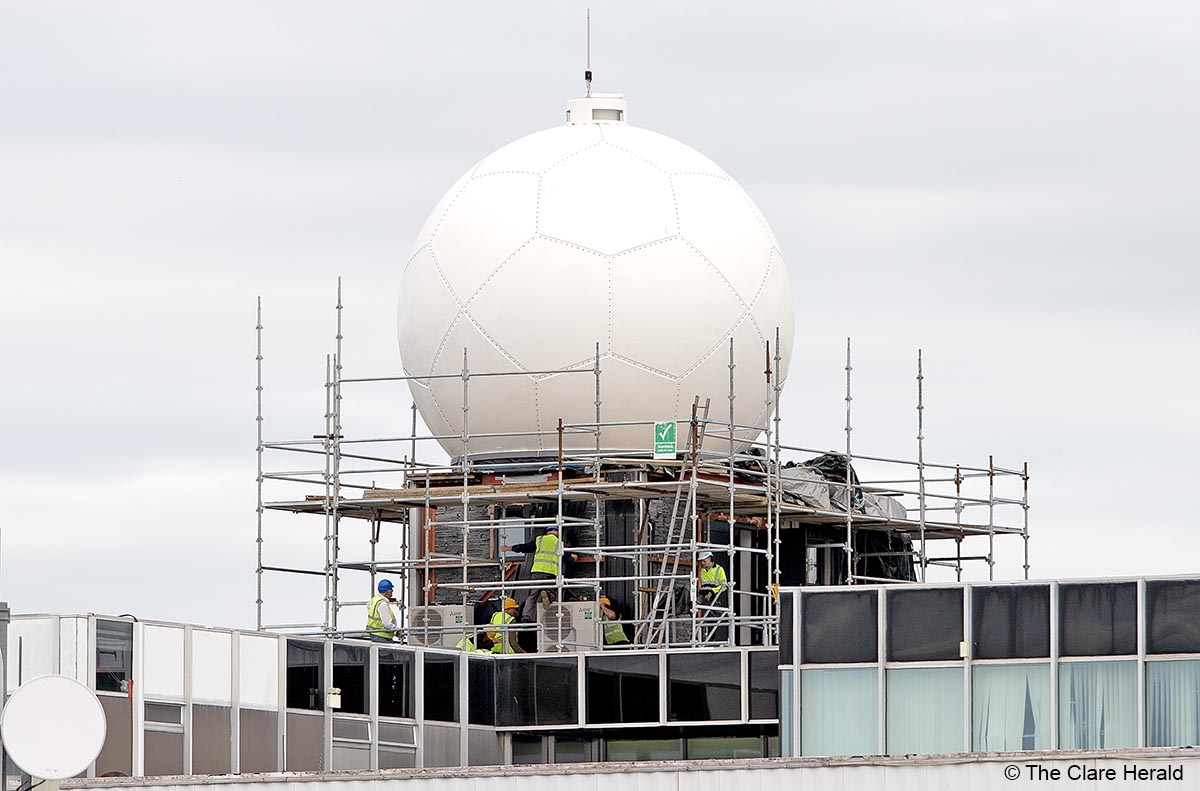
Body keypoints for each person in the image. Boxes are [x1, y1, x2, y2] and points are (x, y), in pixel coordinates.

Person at [502, 525, 577, 623]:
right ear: (557, 532)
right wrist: (572, 558)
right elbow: (566, 558)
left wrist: (509, 548)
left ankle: (526, 616)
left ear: (547, 532)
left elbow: (525, 547)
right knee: (552, 594)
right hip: (550, 573)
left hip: (537, 572)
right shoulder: (559, 543)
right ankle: (547, 596)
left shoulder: (539, 540)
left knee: (532, 596)